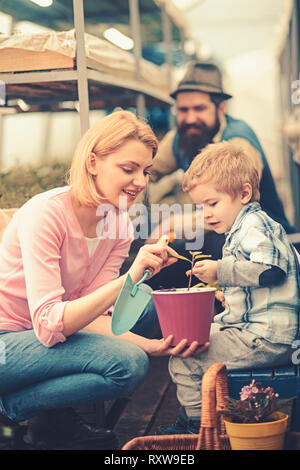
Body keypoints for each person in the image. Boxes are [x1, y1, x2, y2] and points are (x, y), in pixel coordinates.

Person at [0, 110, 206, 450]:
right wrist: (132, 277)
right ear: (93, 162)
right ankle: (11, 408)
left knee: (155, 310)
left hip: (52, 336)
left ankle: (50, 417)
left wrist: (154, 346)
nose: (140, 181)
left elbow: (97, 314)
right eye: (128, 169)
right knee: (128, 363)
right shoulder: (46, 213)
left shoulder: (119, 225)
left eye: (146, 171)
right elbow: (50, 324)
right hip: (10, 342)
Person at [156, 141, 299, 435]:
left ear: (244, 193)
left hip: (266, 337)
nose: (206, 214)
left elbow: (271, 271)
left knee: (185, 355)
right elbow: (262, 282)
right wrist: (228, 293)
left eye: (213, 203)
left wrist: (219, 269)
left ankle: (197, 427)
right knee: (192, 337)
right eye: (200, 206)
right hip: (259, 330)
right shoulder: (246, 226)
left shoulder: (254, 226)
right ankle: (215, 416)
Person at [147, 60, 296, 290]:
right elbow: (146, 170)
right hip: (215, 229)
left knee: (214, 243)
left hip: (260, 244)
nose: (190, 118)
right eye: (183, 110)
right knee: (160, 258)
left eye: (199, 108)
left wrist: (174, 222)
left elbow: (234, 211)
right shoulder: (181, 137)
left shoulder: (239, 141)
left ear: (221, 109)